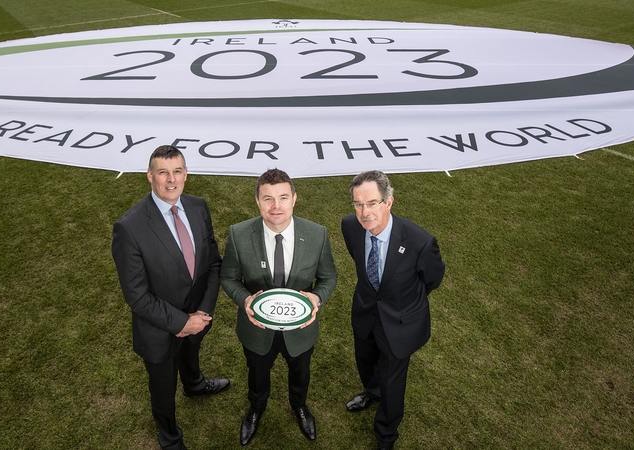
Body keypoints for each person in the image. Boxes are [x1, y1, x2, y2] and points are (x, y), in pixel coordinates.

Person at [112, 145, 230, 450]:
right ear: (149, 176)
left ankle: (194, 385)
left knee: (191, 355)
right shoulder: (129, 228)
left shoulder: (198, 206)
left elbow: (213, 263)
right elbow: (137, 296)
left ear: (186, 174)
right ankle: (169, 437)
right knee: (163, 389)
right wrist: (181, 323)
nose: (171, 179)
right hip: (159, 330)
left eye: (177, 171)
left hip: (198, 317)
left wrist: (203, 313)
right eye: (163, 172)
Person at [221, 168, 337, 446]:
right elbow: (228, 278)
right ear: (257, 201)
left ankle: (299, 405)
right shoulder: (238, 234)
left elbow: (328, 277)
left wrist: (317, 298)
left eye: (283, 197)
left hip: (301, 331)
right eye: (268, 198)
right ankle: (256, 408)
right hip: (256, 330)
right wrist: (245, 300)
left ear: (294, 199)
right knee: (257, 373)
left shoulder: (317, 234)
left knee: (300, 372)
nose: (276, 206)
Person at [341, 170, 445, 450]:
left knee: (392, 383)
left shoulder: (420, 242)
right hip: (365, 313)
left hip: (400, 324)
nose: (364, 212)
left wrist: (404, 299)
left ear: (388, 202)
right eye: (358, 204)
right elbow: (359, 260)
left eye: (372, 203)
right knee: (365, 362)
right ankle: (371, 392)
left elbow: (433, 278)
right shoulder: (350, 227)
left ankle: (386, 435)